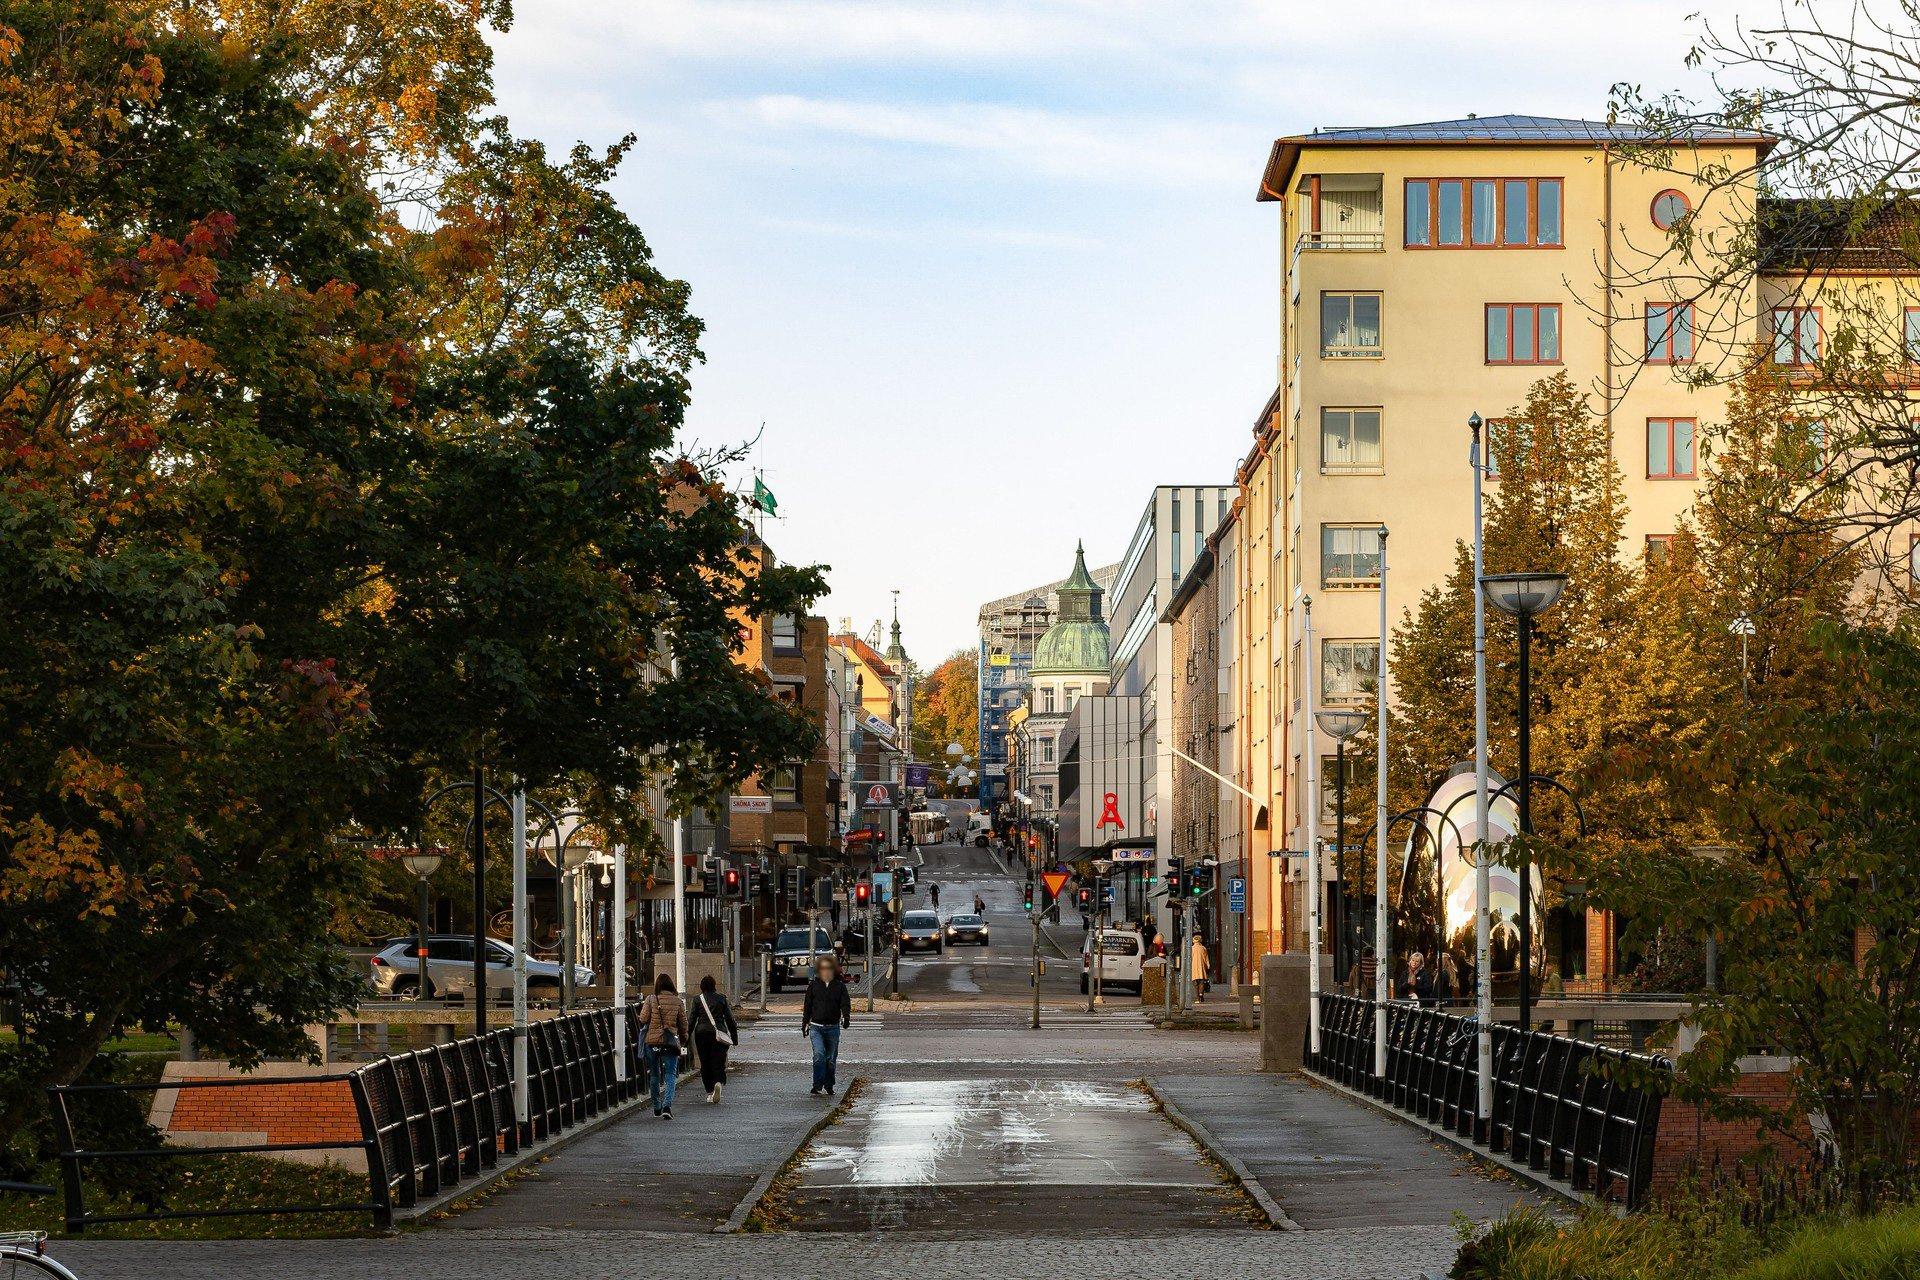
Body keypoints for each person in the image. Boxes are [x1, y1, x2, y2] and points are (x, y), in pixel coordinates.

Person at [801, 954, 852, 1096]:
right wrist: (805, 1024)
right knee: (819, 1056)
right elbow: (808, 1006)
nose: (826, 971)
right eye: (823, 968)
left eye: (829, 968)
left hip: (833, 1027)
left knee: (830, 1059)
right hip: (816, 1027)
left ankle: (829, 1085)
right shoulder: (814, 986)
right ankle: (817, 1085)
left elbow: (845, 1004)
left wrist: (846, 1017)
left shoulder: (839, 986)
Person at [644, 972, 688, 1119]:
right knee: (670, 1074)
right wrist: (684, 1040)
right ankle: (667, 1106)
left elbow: (643, 1019)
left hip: (653, 1042)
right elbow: (683, 1024)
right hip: (670, 1042)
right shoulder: (677, 1001)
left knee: (655, 1074)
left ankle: (656, 1105)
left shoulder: (651, 999)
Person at [690, 974, 739, 1104]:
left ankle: (710, 1091)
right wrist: (734, 1037)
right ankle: (718, 1082)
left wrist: (686, 1037)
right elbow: (730, 1019)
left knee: (705, 1062)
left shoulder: (697, 1000)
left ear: (702, 987)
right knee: (718, 1060)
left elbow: (692, 1020)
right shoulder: (722, 999)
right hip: (719, 1034)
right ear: (714, 986)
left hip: (701, 1033)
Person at [1190, 934, 1211, 1002]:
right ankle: (1201, 994)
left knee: (1195, 982)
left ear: (1194, 941)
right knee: (1201, 981)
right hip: (1201, 967)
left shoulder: (1191, 949)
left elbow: (1189, 959)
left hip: (1194, 967)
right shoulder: (1203, 948)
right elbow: (1206, 958)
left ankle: (1197, 997)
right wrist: (1207, 965)